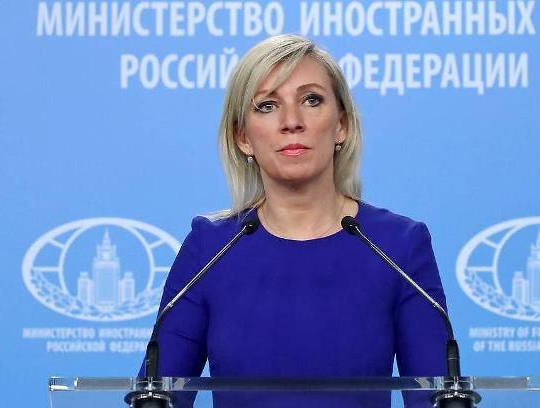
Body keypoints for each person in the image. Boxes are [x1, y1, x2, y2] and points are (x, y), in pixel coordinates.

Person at [146, 34, 448, 407]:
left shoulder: (399, 245)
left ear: (341, 125)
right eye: (268, 105)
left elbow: (436, 398)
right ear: (243, 137)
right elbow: (157, 397)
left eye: (311, 100)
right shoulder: (209, 248)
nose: (291, 121)